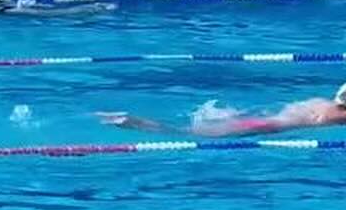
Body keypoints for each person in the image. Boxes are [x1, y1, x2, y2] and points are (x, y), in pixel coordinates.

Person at [97, 84, 346, 138]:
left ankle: (128, 119)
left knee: (194, 128)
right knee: (187, 133)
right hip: (264, 125)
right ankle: (134, 122)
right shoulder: (338, 115)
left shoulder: (321, 101)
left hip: (263, 118)